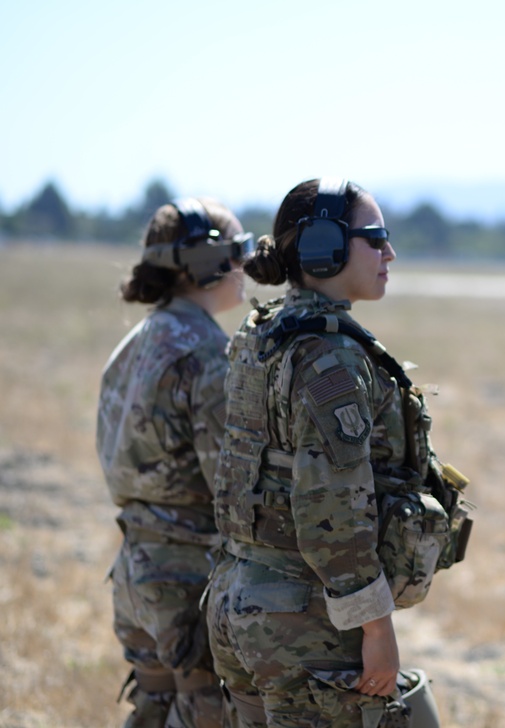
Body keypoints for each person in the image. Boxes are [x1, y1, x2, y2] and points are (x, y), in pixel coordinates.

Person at [206, 178, 449, 727]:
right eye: (375, 237)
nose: (389, 252)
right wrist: (376, 627)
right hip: (304, 619)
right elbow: (330, 510)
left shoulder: (261, 333)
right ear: (324, 247)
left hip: (237, 597)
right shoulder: (331, 358)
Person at [96, 197, 254, 726]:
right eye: (240, 251)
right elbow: (228, 488)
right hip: (186, 578)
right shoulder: (206, 352)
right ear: (207, 264)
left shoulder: (134, 343)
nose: (249, 265)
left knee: (152, 712)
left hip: (134, 572)